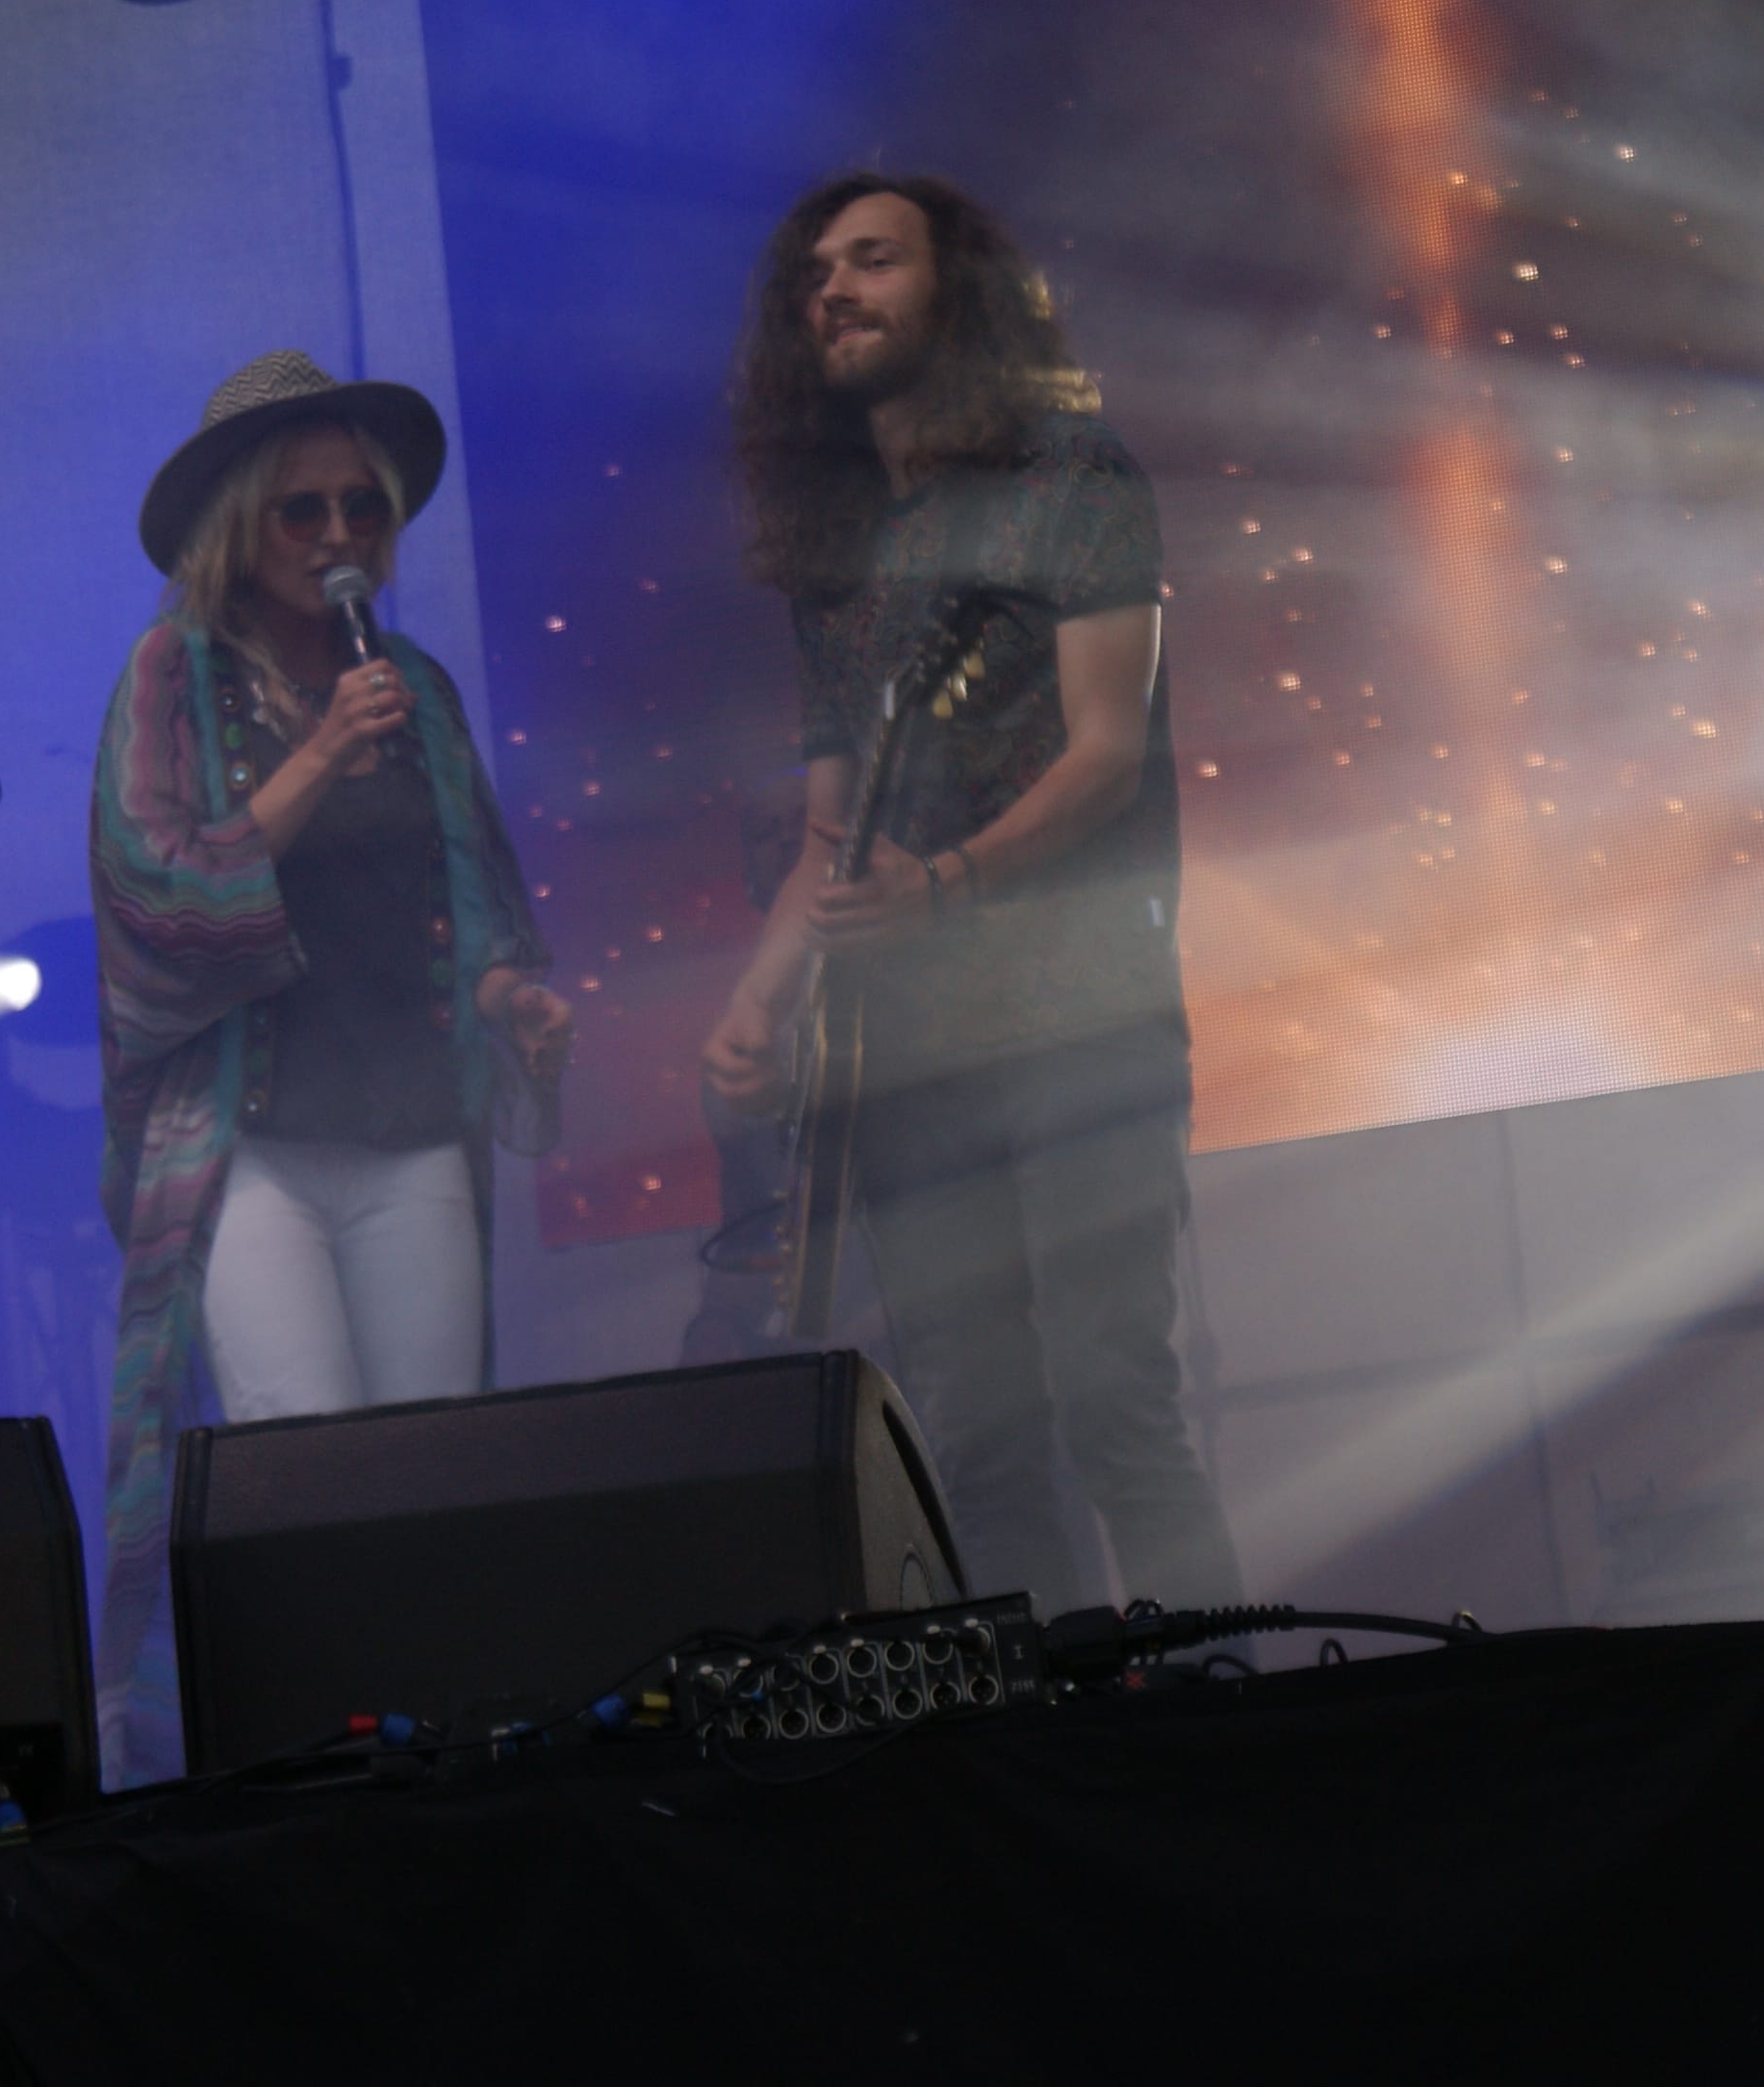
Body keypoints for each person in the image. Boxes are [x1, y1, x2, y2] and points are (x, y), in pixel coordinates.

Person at [701, 174, 1242, 1619]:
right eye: (815, 273)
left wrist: (942, 885)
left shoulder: (1071, 476)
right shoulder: (831, 544)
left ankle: (1215, 1701)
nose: (834, 290)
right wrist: (757, 1004)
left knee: (1115, 1403)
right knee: (978, 1439)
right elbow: (833, 829)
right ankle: (1053, 1726)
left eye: (873, 260)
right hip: (909, 1057)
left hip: (1083, 1018)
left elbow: (1108, 756)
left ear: (959, 291)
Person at [90, 349, 572, 1776]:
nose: (338, 535)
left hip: (408, 1129)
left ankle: (439, 1759)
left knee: (434, 1469)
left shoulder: (410, 686)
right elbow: (154, 897)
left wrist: (510, 998)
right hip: (250, 1146)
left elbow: (466, 898)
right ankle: (321, 1767)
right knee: (304, 1457)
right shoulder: (173, 675)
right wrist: (313, 762)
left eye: (361, 507)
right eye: (302, 511)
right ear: (240, 525)